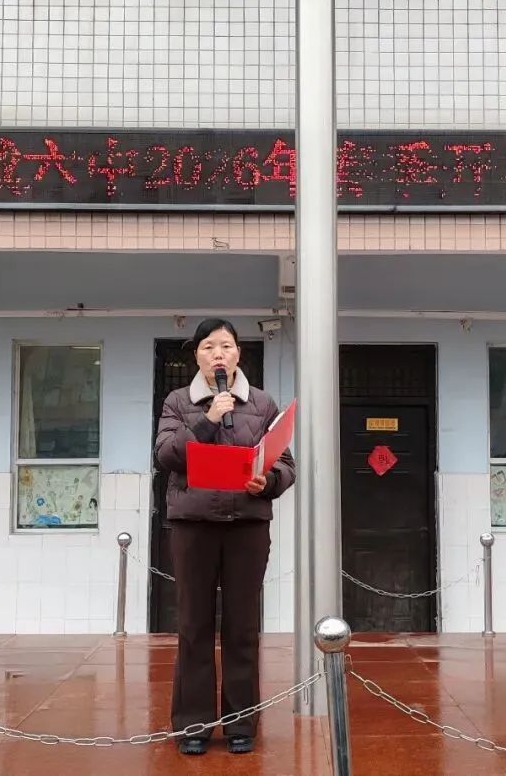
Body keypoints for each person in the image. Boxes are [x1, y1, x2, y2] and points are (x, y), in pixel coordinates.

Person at [154, 317, 296, 756]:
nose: (219, 354)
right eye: (209, 347)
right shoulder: (179, 402)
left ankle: (241, 724)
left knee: (242, 626)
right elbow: (165, 455)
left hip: (246, 526)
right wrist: (207, 419)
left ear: (238, 354)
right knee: (194, 624)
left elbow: (285, 463)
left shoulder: (262, 403)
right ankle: (193, 725)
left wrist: (267, 481)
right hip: (193, 526)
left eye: (227, 346)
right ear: (197, 356)